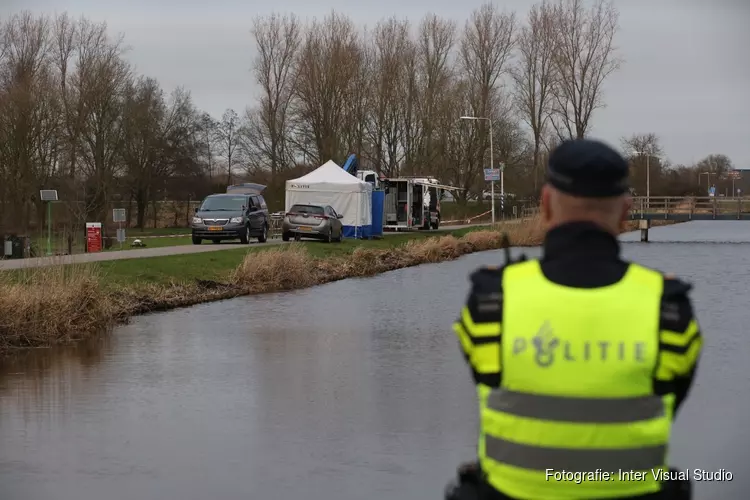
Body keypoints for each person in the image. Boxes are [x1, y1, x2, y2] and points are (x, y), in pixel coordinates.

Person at [446, 139, 702, 500]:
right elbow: (670, 399)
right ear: (626, 211)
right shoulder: (670, 312)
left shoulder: (490, 305)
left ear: (546, 204)